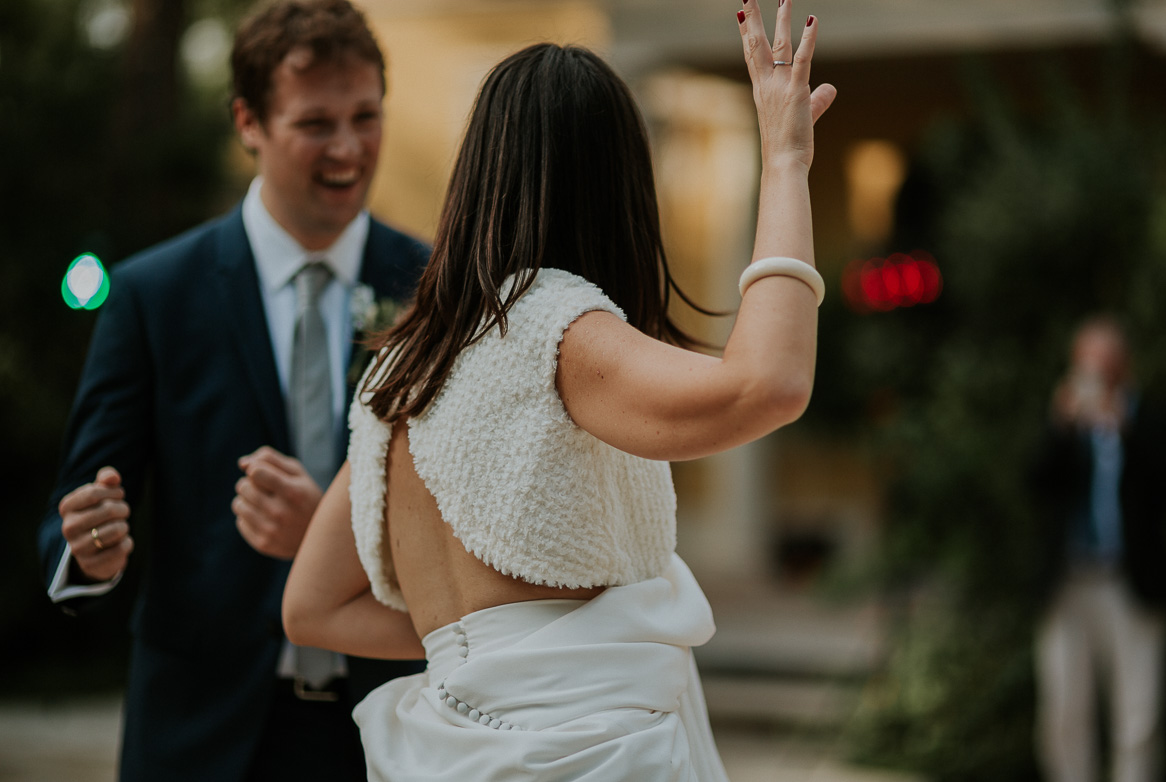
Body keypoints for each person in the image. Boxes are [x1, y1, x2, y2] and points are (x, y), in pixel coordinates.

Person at [283, 1, 835, 778]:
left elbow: (311, 607)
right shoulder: (555, 328)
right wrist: (783, 161)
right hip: (587, 749)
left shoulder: (399, 371)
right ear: (620, 187)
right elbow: (768, 385)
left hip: (439, 753)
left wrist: (473, 640)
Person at [36, 1, 428, 779]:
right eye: (316, 123)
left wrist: (329, 536)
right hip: (199, 731)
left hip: (387, 726)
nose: (348, 148)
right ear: (248, 121)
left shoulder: (433, 290)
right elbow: (78, 506)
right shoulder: (153, 295)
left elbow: (463, 530)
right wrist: (90, 550)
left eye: (365, 115)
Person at [1030, 316, 1166, 782]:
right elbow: (1034, 484)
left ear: (1122, 367)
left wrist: (1124, 427)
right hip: (1069, 582)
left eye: (1103, 365)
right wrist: (1061, 426)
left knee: (1138, 714)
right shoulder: (1066, 426)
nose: (1094, 374)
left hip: (1131, 582)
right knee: (1064, 709)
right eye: (1085, 363)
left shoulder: (1148, 421)